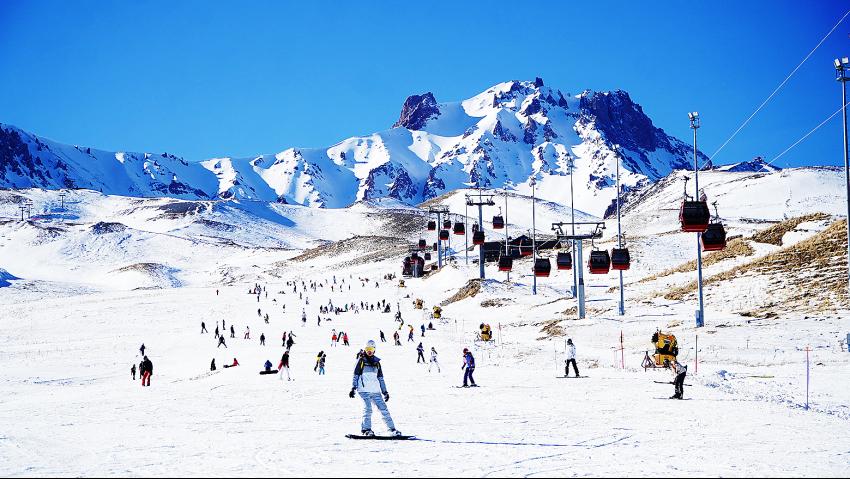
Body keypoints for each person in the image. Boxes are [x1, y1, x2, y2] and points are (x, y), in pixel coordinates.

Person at [349, 340, 402, 437]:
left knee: (384, 409)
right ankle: (366, 429)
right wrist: (353, 388)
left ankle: (392, 430)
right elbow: (355, 375)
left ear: (374, 350)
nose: (369, 351)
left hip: (376, 391)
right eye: (367, 349)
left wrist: (385, 391)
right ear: (365, 349)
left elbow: (380, 378)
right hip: (364, 390)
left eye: (371, 349)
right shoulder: (361, 361)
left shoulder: (377, 363)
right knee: (368, 408)